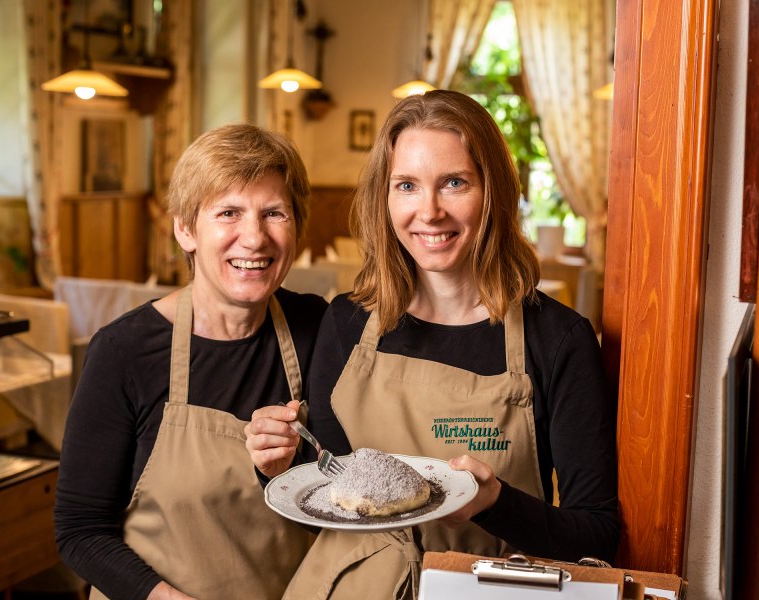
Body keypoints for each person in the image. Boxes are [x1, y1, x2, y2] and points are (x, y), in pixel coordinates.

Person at [246, 90, 619, 598]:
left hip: (487, 588)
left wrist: (496, 503)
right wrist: (276, 468)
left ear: (494, 192)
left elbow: (596, 537)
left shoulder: (558, 340)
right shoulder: (346, 324)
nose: (429, 211)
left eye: (454, 183)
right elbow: (327, 512)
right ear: (386, 196)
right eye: (407, 185)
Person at [55, 123, 328, 600]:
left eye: (274, 213)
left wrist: (287, 468)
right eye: (228, 213)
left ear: (297, 227)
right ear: (185, 228)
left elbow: (343, 489)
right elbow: (80, 530)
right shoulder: (124, 352)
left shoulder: (319, 329)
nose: (254, 238)